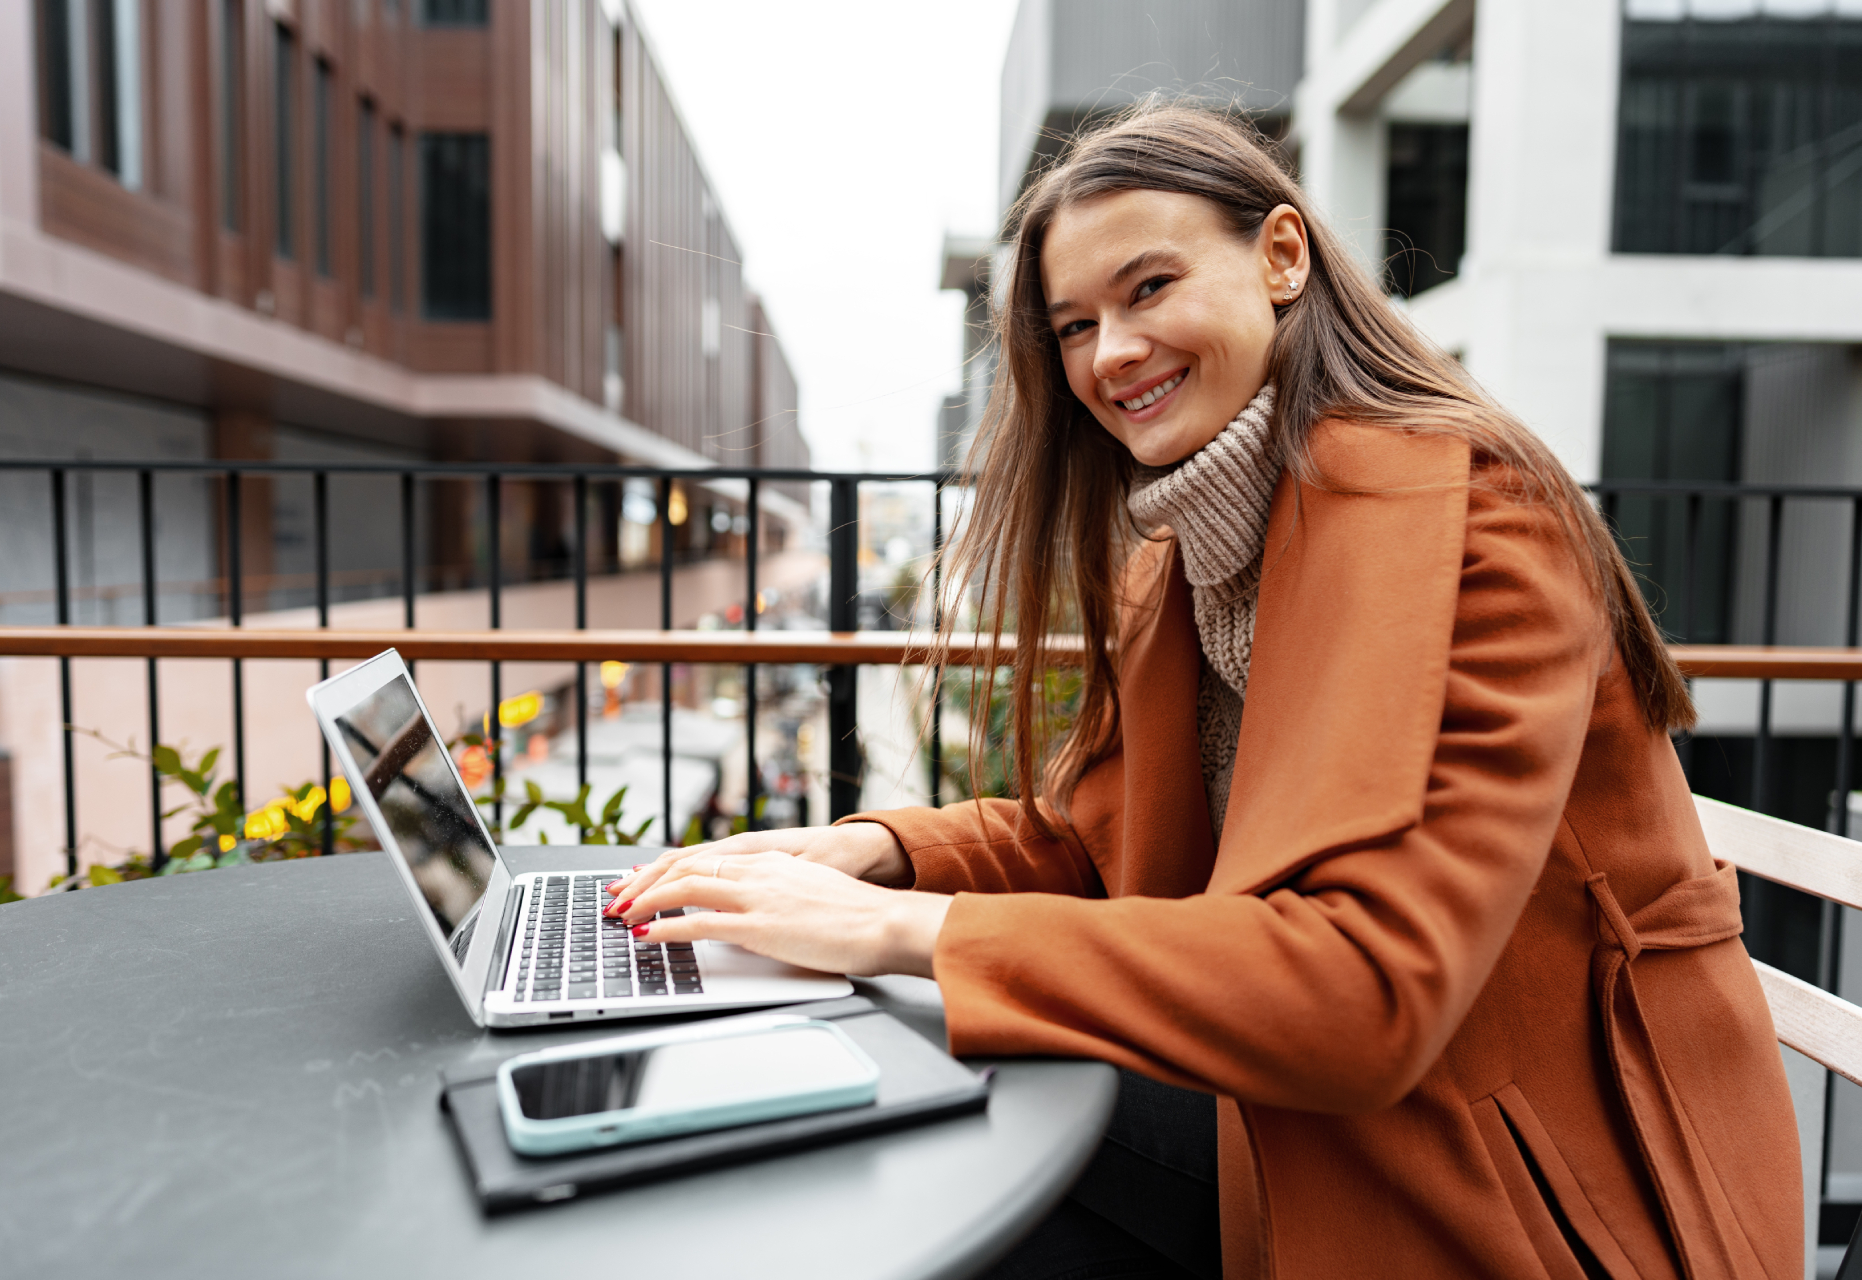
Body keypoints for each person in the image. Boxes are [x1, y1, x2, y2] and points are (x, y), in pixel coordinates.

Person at [605, 104, 1802, 1279]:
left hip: (1525, 1199)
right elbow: (1093, 841)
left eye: (1148, 288)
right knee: (922, 1123)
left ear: (1282, 256)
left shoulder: (1464, 517)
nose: (1109, 351)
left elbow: (1368, 987)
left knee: (937, 1119)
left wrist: (904, 935)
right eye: (1073, 324)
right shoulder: (1193, 554)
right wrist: (862, 855)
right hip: (1327, 1123)